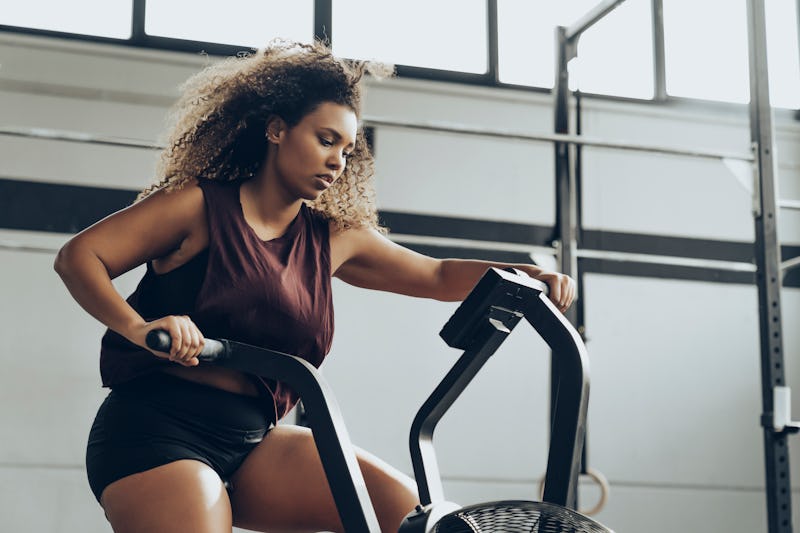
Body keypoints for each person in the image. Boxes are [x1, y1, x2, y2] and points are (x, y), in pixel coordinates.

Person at [54, 39, 576, 533]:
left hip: (256, 441)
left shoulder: (333, 239)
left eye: (347, 150)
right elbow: (80, 256)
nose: (337, 160)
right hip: (155, 433)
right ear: (277, 130)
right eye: (325, 140)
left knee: (415, 517)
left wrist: (525, 277)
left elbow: (436, 274)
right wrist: (139, 328)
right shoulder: (197, 206)